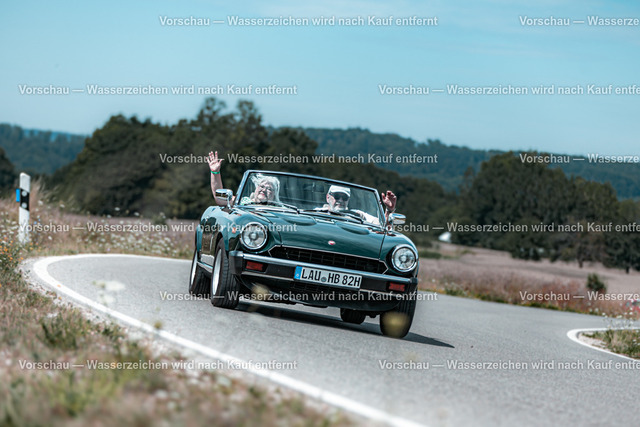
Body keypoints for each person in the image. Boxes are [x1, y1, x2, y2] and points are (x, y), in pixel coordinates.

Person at [207, 151, 280, 205]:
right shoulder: (243, 202)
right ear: (256, 188)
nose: (264, 190)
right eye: (262, 186)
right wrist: (215, 173)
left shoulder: (280, 209)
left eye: (269, 189)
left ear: (274, 195)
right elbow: (220, 198)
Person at [323, 185, 397, 226]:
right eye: (337, 196)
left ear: (348, 200)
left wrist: (388, 210)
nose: (341, 200)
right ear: (328, 197)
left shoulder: (357, 215)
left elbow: (381, 225)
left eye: (344, 197)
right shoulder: (318, 212)